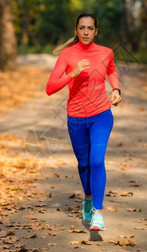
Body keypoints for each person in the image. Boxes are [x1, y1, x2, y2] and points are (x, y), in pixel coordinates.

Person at [46, 12, 121, 231]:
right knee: (84, 164)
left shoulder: (106, 52)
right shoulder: (67, 56)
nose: (86, 32)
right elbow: (50, 88)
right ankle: (88, 198)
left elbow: (112, 70)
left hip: (101, 115)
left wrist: (116, 89)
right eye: (82, 28)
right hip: (76, 118)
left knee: (97, 160)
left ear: (96, 31)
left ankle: (97, 213)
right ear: (76, 31)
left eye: (90, 28)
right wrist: (73, 74)